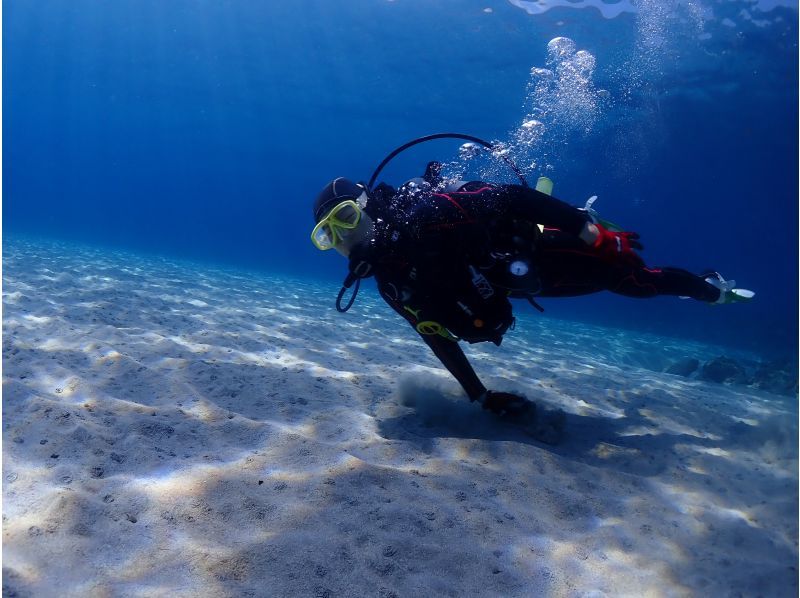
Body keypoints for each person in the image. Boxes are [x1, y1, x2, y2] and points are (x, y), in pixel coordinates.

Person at [310, 164, 754, 418]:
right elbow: (433, 334)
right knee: (625, 283)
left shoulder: (430, 213)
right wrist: (479, 396)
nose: (344, 239)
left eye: (346, 219)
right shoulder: (390, 282)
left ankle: (709, 289)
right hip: (522, 281)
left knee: (635, 283)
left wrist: (588, 232)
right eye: (328, 235)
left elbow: (512, 198)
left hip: (536, 251)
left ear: (368, 208)